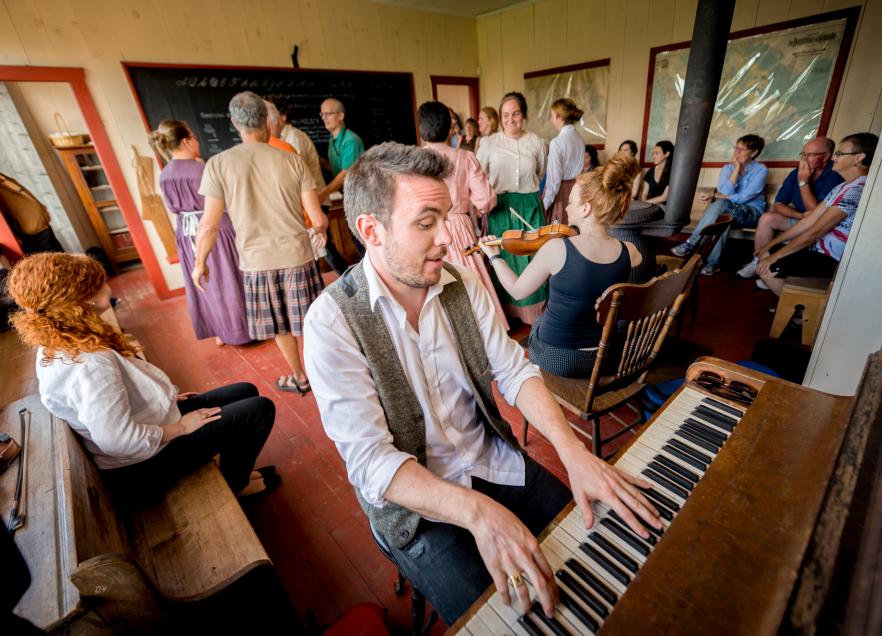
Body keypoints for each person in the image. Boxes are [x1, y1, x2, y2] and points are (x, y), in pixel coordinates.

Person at [302, 142, 661, 625]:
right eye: (426, 223)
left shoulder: (460, 284)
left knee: (604, 548)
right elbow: (370, 463)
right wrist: (477, 513)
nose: (446, 239)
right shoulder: (332, 321)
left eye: (446, 218)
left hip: (493, 463)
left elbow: (514, 371)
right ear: (371, 231)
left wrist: (573, 452)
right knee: (516, 621)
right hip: (417, 512)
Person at [7, 252, 278, 506]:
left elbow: (109, 402)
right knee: (258, 410)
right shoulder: (90, 364)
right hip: (140, 469)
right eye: (99, 284)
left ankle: (235, 471)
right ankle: (237, 485)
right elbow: (117, 439)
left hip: (141, 437)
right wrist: (181, 428)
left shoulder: (58, 339)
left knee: (245, 390)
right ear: (81, 300)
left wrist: (164, 399)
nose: (108, 287)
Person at [194, 91, 328, 395]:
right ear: (268, 121)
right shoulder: (291, 159)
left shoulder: (218, 164)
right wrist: (322, 230)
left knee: (281, 325)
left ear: (233, 123)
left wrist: (199, 262)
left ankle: (300, 377)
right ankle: (327, 374)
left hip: (257, 262)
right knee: (313, 321)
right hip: (297, 254)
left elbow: (209, 224)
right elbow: (317, 217)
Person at [483, 153, 641, 377]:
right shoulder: (630, 251)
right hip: (605, 357)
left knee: (538, 324)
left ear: (586, 209)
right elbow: (637, 259)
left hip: (561, 359)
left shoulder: (557, 249)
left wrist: (494, 256)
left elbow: (518, 291)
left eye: (570, 203)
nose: (566, 209)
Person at [149, 119, 250, 347]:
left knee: (206, 281)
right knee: (228, 277)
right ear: (186, 141)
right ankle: (242, 330)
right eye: (194, 136)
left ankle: (219, 331)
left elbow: (173, 207)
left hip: (186, 232)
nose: (197, 140)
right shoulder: (202, 169)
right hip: (215, 227)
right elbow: (225, 201)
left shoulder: (165, 174)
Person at [419, 101, 507, 329]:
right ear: (450, 128)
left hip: (424, 228)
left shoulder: (413, 161)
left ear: (422, 128)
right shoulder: (464, 158)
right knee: (470, 282)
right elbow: (486, 200)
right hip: (458, 226)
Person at [756, 133, 877, 295]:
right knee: (765, 253)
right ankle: (797, 306)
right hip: (817, 249)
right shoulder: (843, 186)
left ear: (859, 157)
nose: (834, 158)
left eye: (839, 154)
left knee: (767, 269)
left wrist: (776, 255)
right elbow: (808, 222)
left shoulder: (858, 189)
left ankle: (801, 314)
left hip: (833, 257)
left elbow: (816, 230)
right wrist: (771, 245)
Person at [476, 92, 548, 324]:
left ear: (523, 115)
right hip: (500, 206)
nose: (510, 119)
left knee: (534, 255)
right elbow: (478, 175)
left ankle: (534, 313)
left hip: (530, 204)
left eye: (515, 113)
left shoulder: (537, 142)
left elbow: (541, 172)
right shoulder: (489, 143)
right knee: (504, 255)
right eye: (505, 115)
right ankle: (508, 313)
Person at [736, 137, 842, 281]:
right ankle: (758, 262)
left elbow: (819, 216)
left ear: (826, 156)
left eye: (810, 155)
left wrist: (803, 182)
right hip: (802, 220)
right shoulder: (796, 173)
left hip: (823, 226)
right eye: (802, 154)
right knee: (767, 218)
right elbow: (779, 205)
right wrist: (799, 215)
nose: (804, 159)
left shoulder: (835, 175)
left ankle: (773, 272)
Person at [671, 134, 768, 276]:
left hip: (751, 213)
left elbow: (743, 198)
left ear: (754, 152)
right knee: (724, 219)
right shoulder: (728, 168)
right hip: (729, 211)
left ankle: (691, 242)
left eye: (742, 149)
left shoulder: (761, 170)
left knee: (722, 206)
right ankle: (712, 264)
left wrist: (716, 196)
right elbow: (724, 191)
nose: (737, 152)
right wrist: (736, 170)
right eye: (736, 148)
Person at [542, 98, 585, 224]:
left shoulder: (557, 142)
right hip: (577, 192)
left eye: (552, 116)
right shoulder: (580, 139)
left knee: (559, 235)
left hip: (561, 194)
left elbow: (554, 182)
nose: (551, 120)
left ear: (559, 117)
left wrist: (545, 205)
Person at [274, 97, 327, 198]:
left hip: (316, 200)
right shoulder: (282, 138)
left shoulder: (294, 137)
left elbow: (297, 174)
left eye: (270, 116)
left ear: (283, 116)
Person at [0, 171, 64, 254]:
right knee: (54, 259)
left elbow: (20, 192)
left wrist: (41, 208)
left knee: (57, 258)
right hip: (29, 228)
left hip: (34, 225)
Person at [317, 97, 365, 203]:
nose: (324, 118)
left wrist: (323, 193)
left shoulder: (351, 140)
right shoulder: (332, 139)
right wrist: (319, 161)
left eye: (328, 114)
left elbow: (345, 174)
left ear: (340, 116)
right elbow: (337, 167)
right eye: (322, 114)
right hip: (348, 195)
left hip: (361, 196)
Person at [636, 140, 674, 207]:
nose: (653, 156)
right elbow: (644, 193)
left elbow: (664, 197)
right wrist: (645, 204)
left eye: (656, 153)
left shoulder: (672, 172)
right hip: (650, 205)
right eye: (653, 153)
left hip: (666, 208)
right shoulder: (651, 171)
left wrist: (646, 204)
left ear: (667, 154)